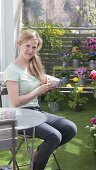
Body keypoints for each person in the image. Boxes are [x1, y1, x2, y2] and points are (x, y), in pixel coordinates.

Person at [3, 29, 77, 170]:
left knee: (70, 128)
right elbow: (15, 102)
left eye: (34, 47)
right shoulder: (12, 70)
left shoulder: (33, 64)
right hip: (20, 115)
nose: (30, 50)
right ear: (20, 44)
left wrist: (51, 83)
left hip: (36, 112)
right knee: (54, 136)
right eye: (27, 46)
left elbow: (42, 79)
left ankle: (38, 152)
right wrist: (38, 91)